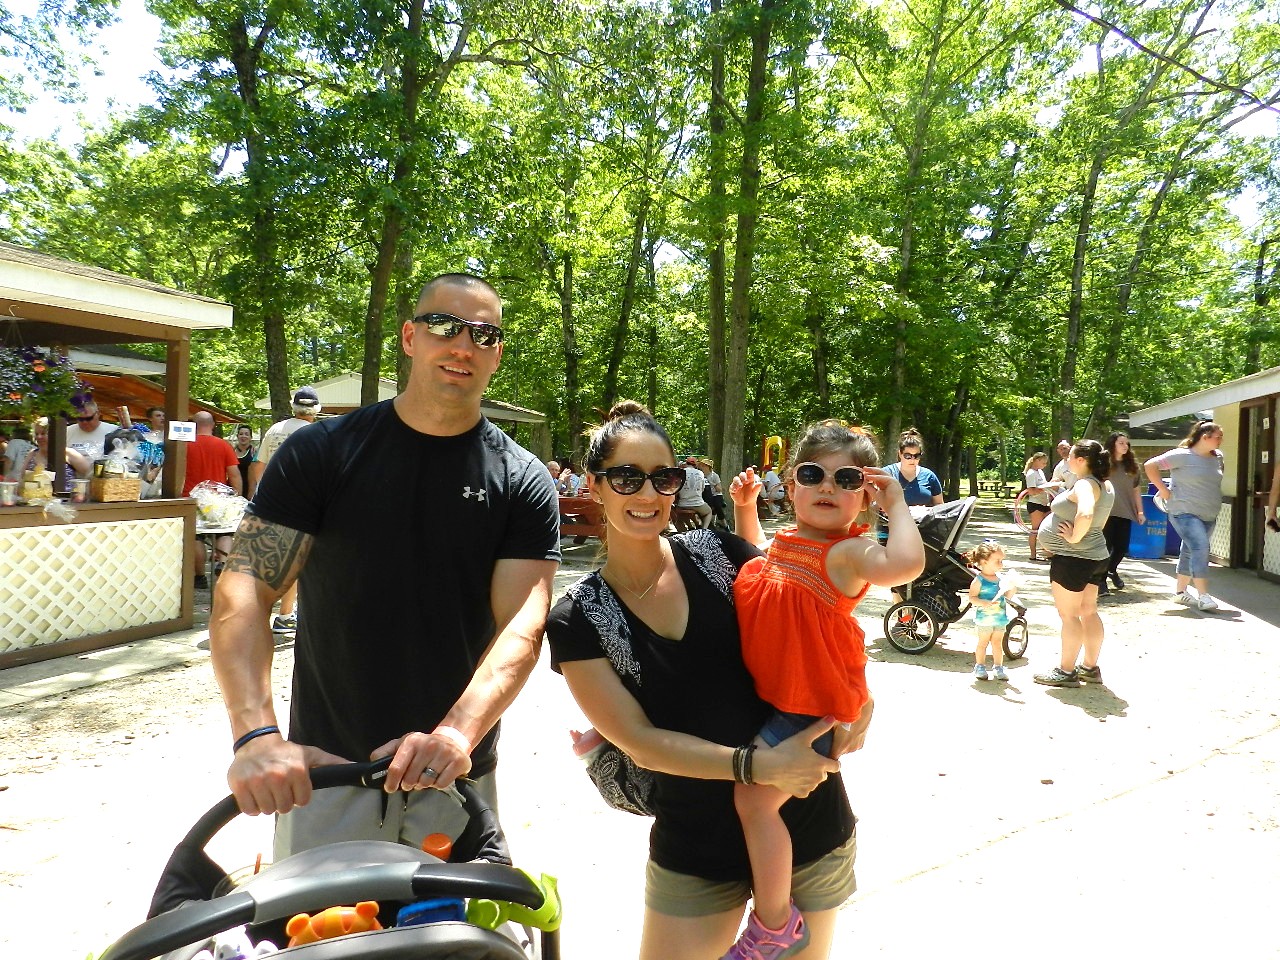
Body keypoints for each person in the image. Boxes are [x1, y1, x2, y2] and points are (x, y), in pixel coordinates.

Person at [211, 272, 560, 862]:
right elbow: (243, 589)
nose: (463, 345)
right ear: (409, 337)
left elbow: (522, 627)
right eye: (444, 326)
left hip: (454, 774)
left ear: (497, 354)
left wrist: (456, 733)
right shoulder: (322, 452)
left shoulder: (520, 478)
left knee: (455, 924)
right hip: (327, 771)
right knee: (318, 923)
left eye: (483, 334)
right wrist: (256, 733)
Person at [546, 402, 866, 960]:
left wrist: (862, 699)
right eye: (627, 477)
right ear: (594, 485)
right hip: (696, 843)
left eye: (663, 478)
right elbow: (639, 741)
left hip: (807, 820)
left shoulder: (723, 553)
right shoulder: (577, 618)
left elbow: (820, 625)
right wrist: (754, 767)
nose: (648, 494)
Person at [727, 421, 923, 960]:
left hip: (809, 707)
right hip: (780, 697)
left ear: (865, 496)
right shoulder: (789, 542)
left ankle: (773, 924)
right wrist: (746, 507)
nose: (829, 487)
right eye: (814, 475)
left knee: (754, 801)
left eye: (847, 479)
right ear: (791, 485)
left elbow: (906, 564)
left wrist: (897, 503)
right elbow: (755, 557)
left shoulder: (849, 552)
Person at [1033, 440, 1115, 687]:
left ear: (1081, 460)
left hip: (1074, 559)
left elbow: (1087, 513)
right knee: (1088, 611)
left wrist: (1073, 537)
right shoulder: (1105, 484)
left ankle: (1066, 671)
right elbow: (1099, 518)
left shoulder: (1085, 484)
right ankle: (1089, 668)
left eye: (1071, 456)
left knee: (1069, 615)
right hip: (1096, 556)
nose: (1067, 460)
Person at [249, 388, 322, 631]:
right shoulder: (318, 433)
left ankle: (263, 614)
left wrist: (263, 493)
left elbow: (258, 465)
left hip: (272, 504)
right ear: (316, 409)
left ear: (293, 406)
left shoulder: (275, 430)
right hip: (303, 505)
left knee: (271, 560)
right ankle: (287, 614)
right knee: (298, 562)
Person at [1144, 419, 1226, 612]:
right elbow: (1150, 465)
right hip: (1183, 511)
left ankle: (1181, 593)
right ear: (1204, 437)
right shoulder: (1181, 455)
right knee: (1200, 547)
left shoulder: (1218, 457)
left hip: (1209, 513)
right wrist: (1163, 490)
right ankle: (1203, 595)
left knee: (1190, 549)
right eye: (1218, 437)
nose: (1221, 440)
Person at [184, 411, 241, 590]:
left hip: (191, 498)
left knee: (196, 537)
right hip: (219, 500)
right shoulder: (224, 445)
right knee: (225, 533)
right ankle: (222, 565)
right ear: (213, 425)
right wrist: (237, 496)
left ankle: (200, 576)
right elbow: (234, 474)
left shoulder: (184, 445)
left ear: (193, 425)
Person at [964, 540, 1023, 682]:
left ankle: (998, 667)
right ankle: (980, 666)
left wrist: (1013, 587)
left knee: (997, 643)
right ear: (984, 561)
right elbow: (972, 598)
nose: (1001, 564)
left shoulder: (1001, 579)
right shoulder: (979, 581)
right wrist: (982, 602)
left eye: (1001, 560)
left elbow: (1007, 597)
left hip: (999, 618)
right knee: (983, 643)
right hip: (985, 619)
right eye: (997, 561)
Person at [1099, 433, 1144, 596]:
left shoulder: (1132, 467)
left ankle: (1111, 570)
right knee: (1106, 547)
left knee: (1121, 548)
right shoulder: (1103, 464)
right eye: (1121, 443)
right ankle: (1101, 581)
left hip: (1125, 511)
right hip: (1106, 512)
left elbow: (1136, 490)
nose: (1125, 446)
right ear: (1113, 444)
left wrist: (1140, 511)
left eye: (1127, 443)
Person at [883, 428, 943, 507]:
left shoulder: (929, 476)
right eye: (908, 456)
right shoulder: (887, 473)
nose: (912, 459)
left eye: (916, 456)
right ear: (900, 454)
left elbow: (940, 505)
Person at [64, 400, 116, 473]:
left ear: (98, 414)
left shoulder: (113, 431)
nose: (85, 422)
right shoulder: (67, 431)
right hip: (73, 477)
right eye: (80, 419)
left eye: (88, 418)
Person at [1023, 452, 1053, 562]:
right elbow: (1031, 491)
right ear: (1037, 460)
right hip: (1035, 504)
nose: (1045, 465)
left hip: (1044, 503)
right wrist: (1044, 488)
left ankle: (1048, 553)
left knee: (1047, 528)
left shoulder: (1040, 472)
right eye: (1043, 462)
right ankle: (1033, 554)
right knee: (1035, 530)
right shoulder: (1031, 473)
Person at [676, 455, 713, 529]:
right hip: (698, 503)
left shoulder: (680, 473)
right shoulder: (700, 473)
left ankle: (687, 529)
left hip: (682, 504)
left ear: (686, 463)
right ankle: (704, 529)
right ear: (695, 464)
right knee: (709, 512)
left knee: (678, 515)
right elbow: (702, 489)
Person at [232, 424, 257, 498]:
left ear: (251, 437)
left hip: (249, 488)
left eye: (246, 434)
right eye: (241, 434)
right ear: (237, 436)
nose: (243, 436)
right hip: (233, 487)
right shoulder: (231, 451)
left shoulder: (255, 452)